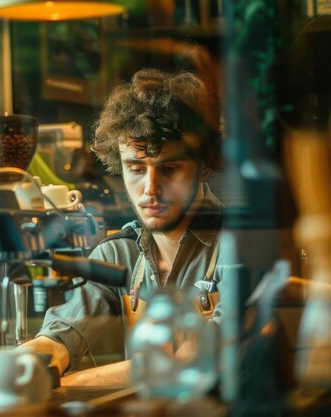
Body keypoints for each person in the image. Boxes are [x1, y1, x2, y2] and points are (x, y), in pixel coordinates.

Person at [24, 68, 224, 386]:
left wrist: (66, 383)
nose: (150, 189)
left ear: (204, 167)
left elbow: (192, 360)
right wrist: (25, 362)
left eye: (169, 169)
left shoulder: (238, 246)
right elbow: (61, 337)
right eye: (136, 169)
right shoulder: (118, 254)